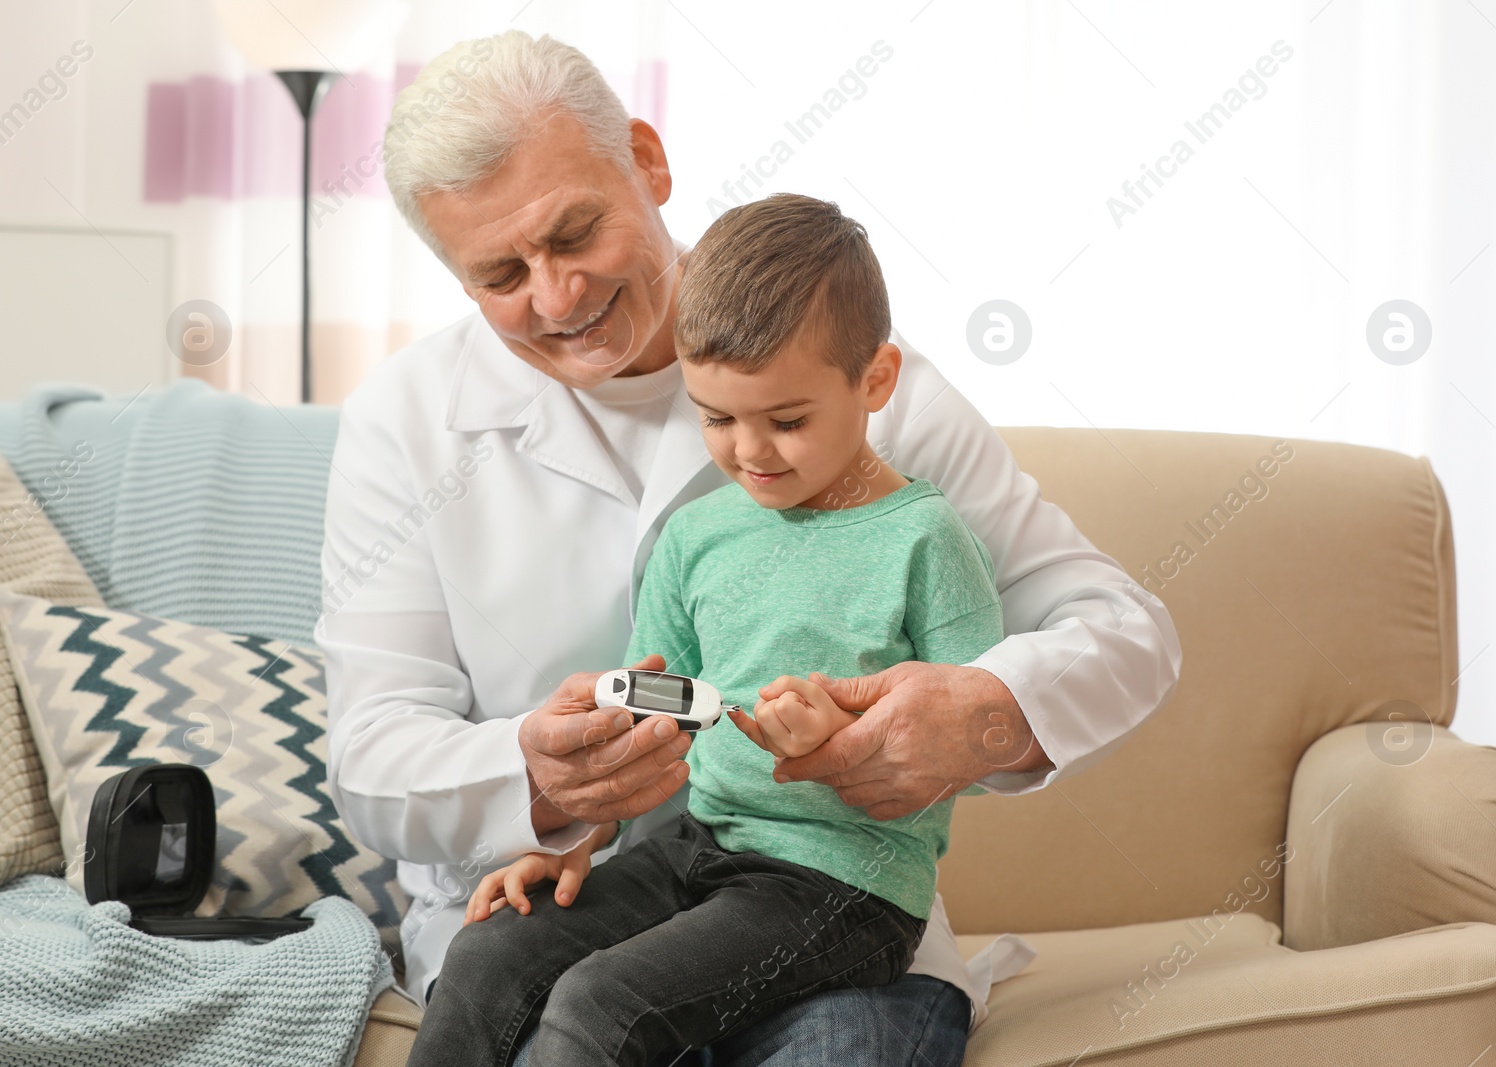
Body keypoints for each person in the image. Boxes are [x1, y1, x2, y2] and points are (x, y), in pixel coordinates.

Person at [319, 29, 1182, 1067]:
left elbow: (1123, 629)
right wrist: (539, 783)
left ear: (647, 160)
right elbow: (369, 754)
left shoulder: (865, 390)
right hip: (590, 887)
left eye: (574, 232)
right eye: (501, 273)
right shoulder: (403, 426)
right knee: (540, 995)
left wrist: (982, 713)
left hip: (820, 895)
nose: (555, 298)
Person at [406, 193, 1007, 1067]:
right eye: (717, 417)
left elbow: (973, 745)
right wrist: (579, 839)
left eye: (787, 420)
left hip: (845, 884)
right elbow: (650, 737)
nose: (750, 451)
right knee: (490, 953)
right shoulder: (697, 536)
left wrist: (848, 736)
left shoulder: (925, 540)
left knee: (598, 1002)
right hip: (703, 849)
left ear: (876, 379)